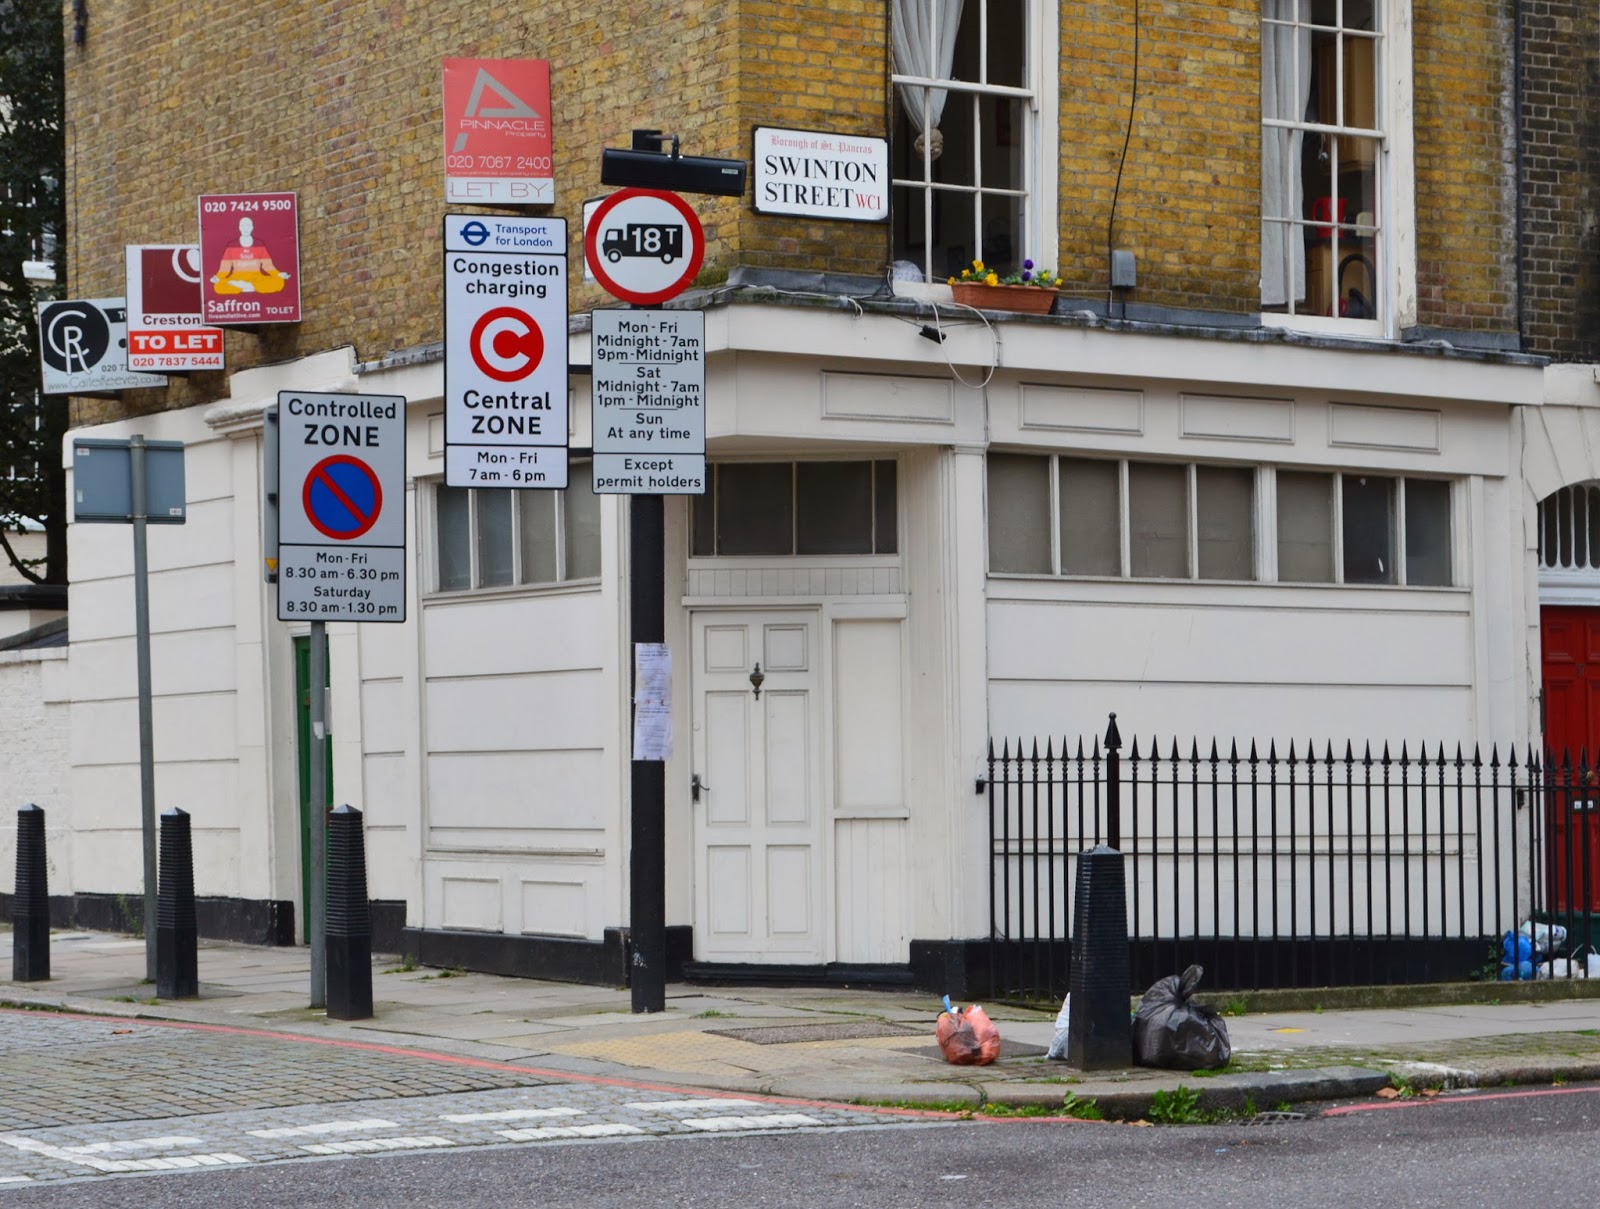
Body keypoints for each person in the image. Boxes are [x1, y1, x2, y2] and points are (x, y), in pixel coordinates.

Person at [210, 217, 290, 295]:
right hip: (237, 278)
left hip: (256, 278)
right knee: (218, 287)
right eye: (243, 226)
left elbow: (268, 266)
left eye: (248, 225)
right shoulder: (231, 245)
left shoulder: (259, 244)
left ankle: (244, 286)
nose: (245, 229)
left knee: (279, 282)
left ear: (252, 227)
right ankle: (254, 287)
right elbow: (225, 268)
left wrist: (278, 274)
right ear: (239, 228)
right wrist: (217, 277)